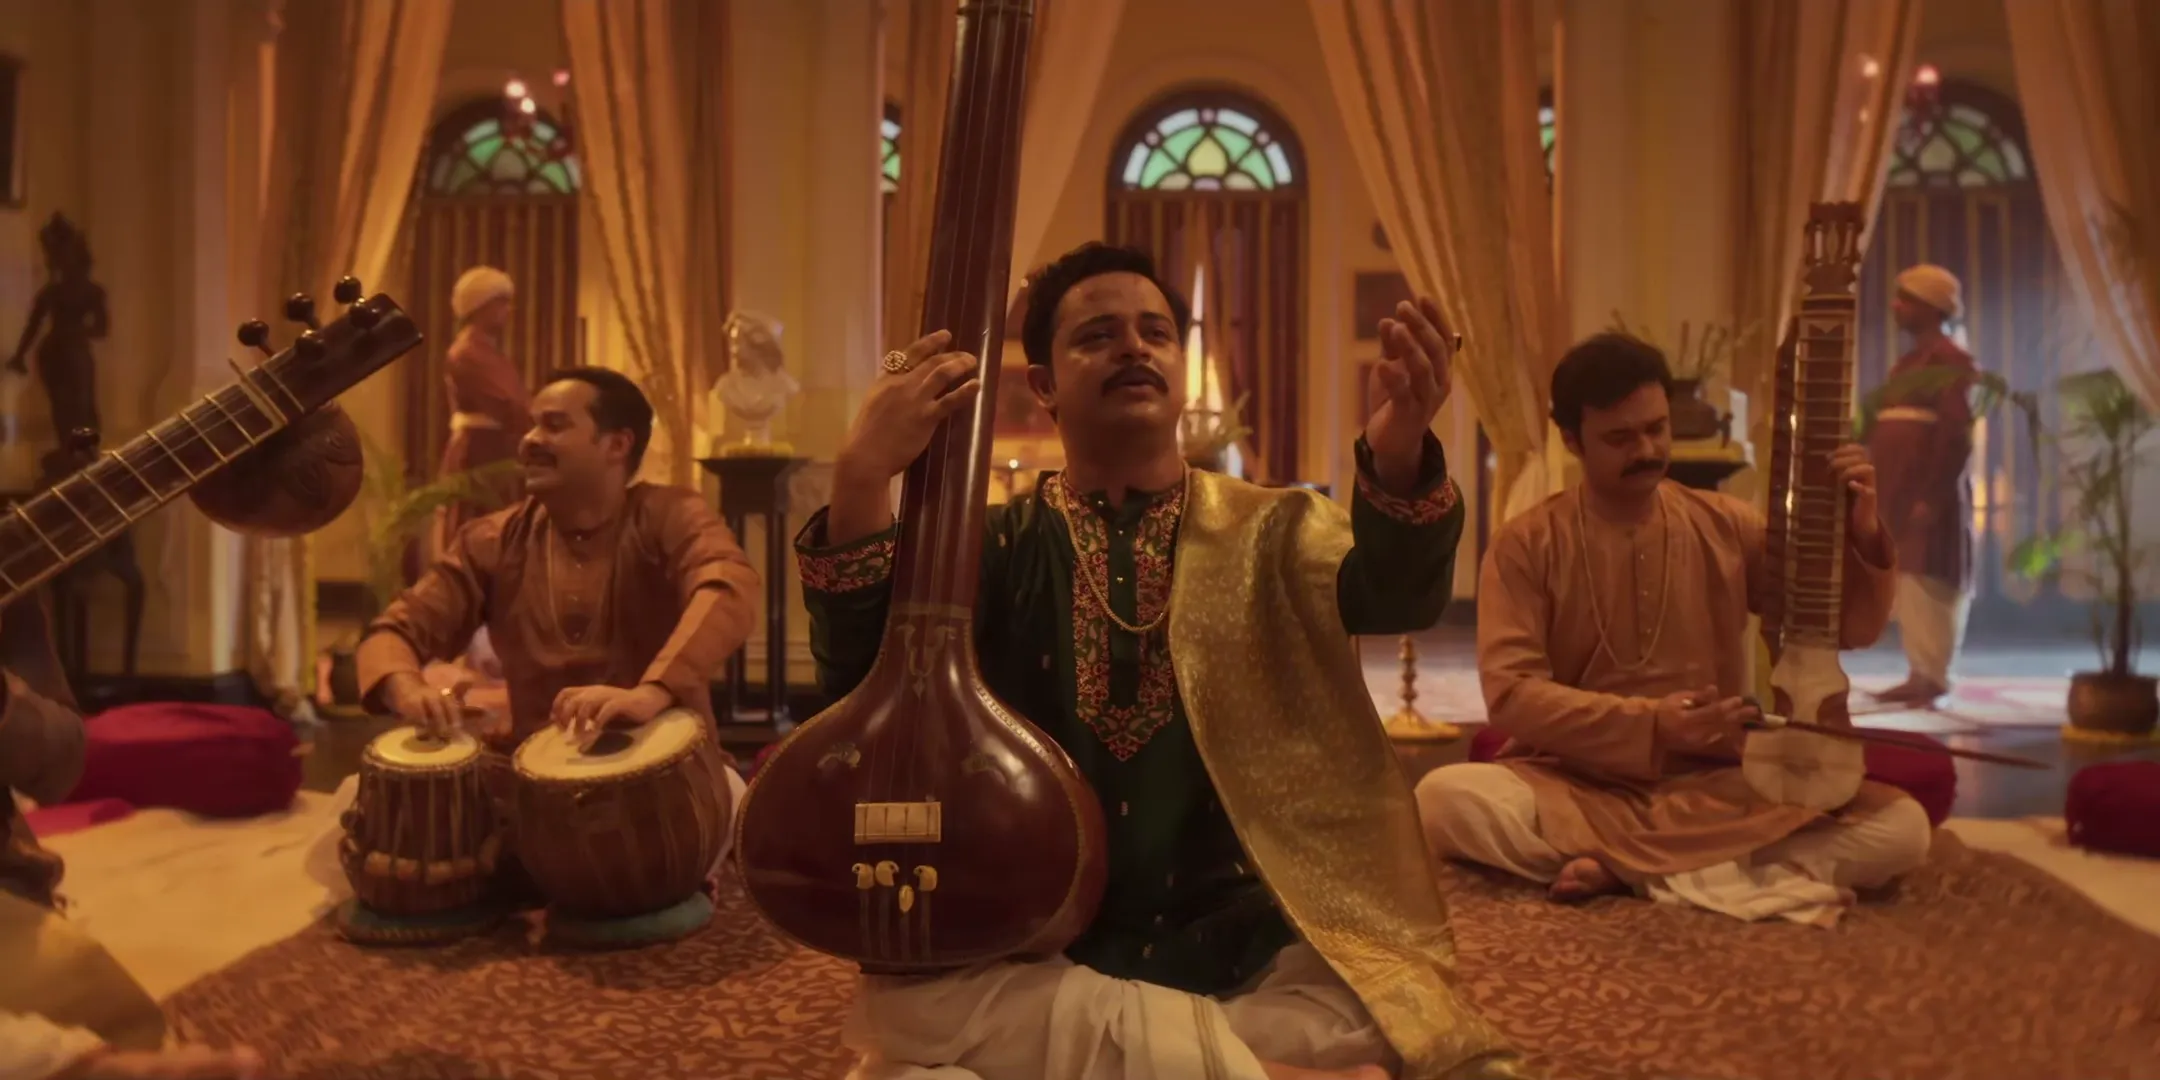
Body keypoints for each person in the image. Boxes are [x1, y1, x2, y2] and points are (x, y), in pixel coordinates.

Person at [797, 243, 1522, 1080]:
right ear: (1043, 385)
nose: (1134, 348)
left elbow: (1398, 597)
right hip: (1035, 939)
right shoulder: (990, 547)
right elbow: (862, 687)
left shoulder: (1274, 528)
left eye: (1156, 333)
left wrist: (1397, 450)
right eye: (1098, 335)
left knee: (1385, 1004)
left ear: (1182, 372)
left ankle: (1155, 1057)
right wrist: (860, 477)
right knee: (903, 1005)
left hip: (1236, 938)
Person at [1416, 334, 1932, 928]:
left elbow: (1848, 629)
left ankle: (1623, 872)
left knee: (1903, 829)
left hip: (1715, 785)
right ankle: (1708, 871)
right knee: (1443, 801)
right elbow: (1511, 696)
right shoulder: (1526, 544)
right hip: (1575, 783)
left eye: (1656, 429)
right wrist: (1654, 724)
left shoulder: (1727, 525)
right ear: (1572, 440)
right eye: (1620, 438)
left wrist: (1865, 537)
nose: (1646, 449)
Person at [358, 367, 758, 754]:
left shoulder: (670, 515)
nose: (529, 440)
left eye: (554, 425)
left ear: (617, 445)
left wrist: (651, 693)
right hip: (533, 774)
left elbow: (728, 587)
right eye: (532, 425)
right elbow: (394, 632)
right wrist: (407, 689)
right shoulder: (493, 539)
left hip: (668, 769)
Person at [1865, 265, 1977, 705]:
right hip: (1898, 490)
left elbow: (1956, 433)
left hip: (1928, 492)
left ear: (1931, 308)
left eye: (1906, 299)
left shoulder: (1952, 361)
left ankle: (1933, 675)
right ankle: (1919, 672)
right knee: (1908, 575)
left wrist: (1932, 494)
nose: (1896, 306)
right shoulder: (1908, 364)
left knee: (1928, 574)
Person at [436, 266, 533, 550]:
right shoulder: (467, 352)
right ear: (480, 307)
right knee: (475, 528)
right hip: (477, 452)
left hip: (494, 448)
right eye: (501, 302)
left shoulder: (486, 350)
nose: (508, 310)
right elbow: (509, 402)